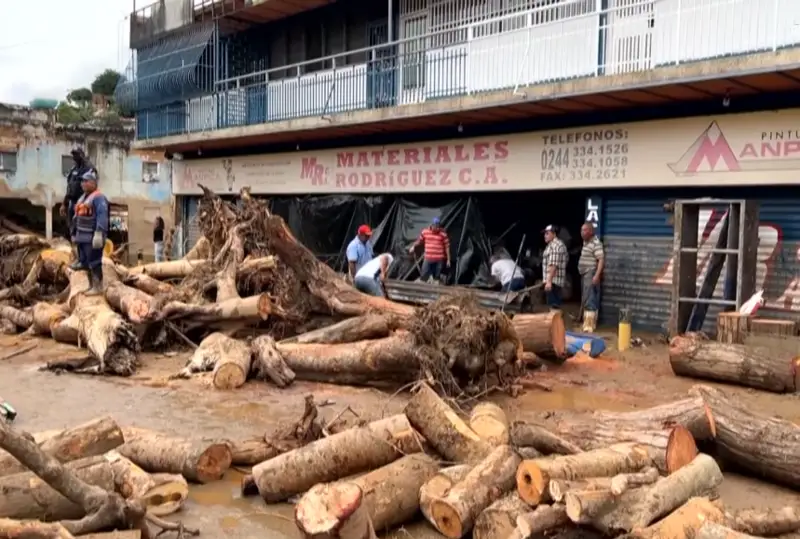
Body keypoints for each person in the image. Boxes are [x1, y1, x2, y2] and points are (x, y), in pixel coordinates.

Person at [69, 170, 109, 295]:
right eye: (82, 181)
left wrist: (99, 233)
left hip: (92, 236)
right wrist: (74, 233)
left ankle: (98, 287)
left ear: (93, 183)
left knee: (94, 262)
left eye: (86, 181)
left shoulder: (99, 198)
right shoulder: (83, 198)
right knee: (85, 262)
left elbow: (102, 216)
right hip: (82, 236)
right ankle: (91, 285)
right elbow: (76, 216)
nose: (82, 184)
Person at [59, 148, 96, 241]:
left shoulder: (89, 168)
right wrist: (64, 204)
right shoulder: (73, 169)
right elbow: (69, 187)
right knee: (71, 223)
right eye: (74, 155)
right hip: (73, 200)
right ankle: (73, 237)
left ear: (82, 155)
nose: (75, 157)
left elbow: (92, 185)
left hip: (84, 202)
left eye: (77, 155)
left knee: (82, 224)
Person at [578, 222, 605, 332]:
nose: (582, 233)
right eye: (581, 230)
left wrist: (597, 275)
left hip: (591, 272)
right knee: (586, 297)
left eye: (584, 230)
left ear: (590, 231)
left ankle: (589, 326)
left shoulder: (596, 243)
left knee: (590, 298)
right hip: (585, 274)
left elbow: (601, 260)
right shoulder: (586, 242)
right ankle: (586, 323)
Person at [409, 217, 451, 283]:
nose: (437, 228)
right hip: (428, 258)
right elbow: (419, 241)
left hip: (439, 260)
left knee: (436, 277)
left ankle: (435, 288)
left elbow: (447, 247)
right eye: (436, 227)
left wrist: (448, 259)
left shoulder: (443, 234)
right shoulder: (425, 232)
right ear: (432, 225)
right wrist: (413, 246)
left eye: (438, 227)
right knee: (424, 276)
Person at [542, 224, 568, 309]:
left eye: (547, 233)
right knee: (555, 307)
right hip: (554, 281)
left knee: (553, 307)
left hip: (553, 282)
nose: (545, 236)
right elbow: (566, 259)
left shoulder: (555, 246)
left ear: (554, 234)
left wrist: (548, 281)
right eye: (544, 233)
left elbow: (553, 264)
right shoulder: (554, 245)